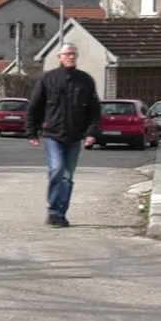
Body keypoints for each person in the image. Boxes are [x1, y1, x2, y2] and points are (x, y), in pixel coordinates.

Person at [25, 43, 102, 228]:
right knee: (57, 170)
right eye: (67, 54)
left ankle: (60, 213)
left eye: (73, 54)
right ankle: (52, 209)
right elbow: (34, 106)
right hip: (53, 134)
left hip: (74, 136)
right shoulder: (48, 79)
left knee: (68, 177)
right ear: (59, 57)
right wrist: (32, 131)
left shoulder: (85, 80)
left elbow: (94, 110)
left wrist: (92, 132)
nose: (70, 57)